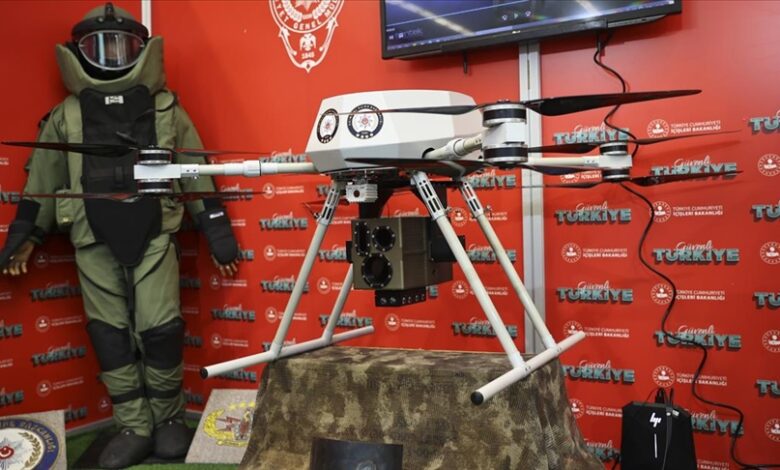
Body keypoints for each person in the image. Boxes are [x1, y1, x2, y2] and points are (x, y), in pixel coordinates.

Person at [0, 3, 239, 468]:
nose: (111, 57)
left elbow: (194, 171)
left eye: (122, 47)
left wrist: (217, 232)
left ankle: (169, 421)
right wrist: (26, 236)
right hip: (91, 237)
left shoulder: (166, 108)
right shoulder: (66, 116)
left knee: (161, 329)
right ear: (79, 53)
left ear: (141, 50)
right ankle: (134, 425)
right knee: (109, 335)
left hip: (155, 234)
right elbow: (42, 181)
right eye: (99, 48)